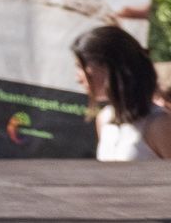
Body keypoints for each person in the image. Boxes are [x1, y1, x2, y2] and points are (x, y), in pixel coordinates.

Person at [72, 25, 171, 160]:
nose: (78, 78)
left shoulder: (159, 124)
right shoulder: (104, 118)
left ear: (109, 67)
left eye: (81, 67)